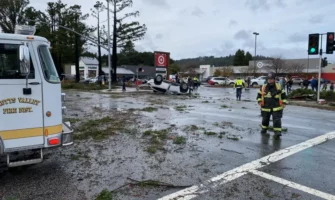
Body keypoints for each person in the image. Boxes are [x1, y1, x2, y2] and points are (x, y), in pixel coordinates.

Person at [257, 73, 287, 138]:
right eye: (269, 79)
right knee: (265, 119)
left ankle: (277, 132)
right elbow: (259, 95)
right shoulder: (263, 87)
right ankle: (264, 129)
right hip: (265, 107)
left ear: (274, 79)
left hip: (277, 107)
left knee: (277, 120)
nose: (270, 80)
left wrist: (284, 103)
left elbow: (284, 95)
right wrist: (259, 101)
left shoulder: (279, 86)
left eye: (271, 79)